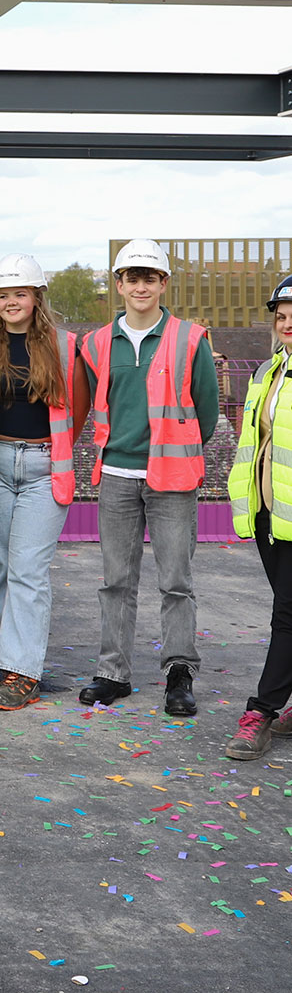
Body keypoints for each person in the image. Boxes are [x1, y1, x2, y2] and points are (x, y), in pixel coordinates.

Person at [77, 239, 219, 717]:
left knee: (176, 580)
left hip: (172, 478)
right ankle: (112, 673)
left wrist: (175, 457)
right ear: (119, 285)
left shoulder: (190, 338)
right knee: (116, 580)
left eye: (149, 278)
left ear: (163, 284)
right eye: (131, 278)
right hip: (116, 475)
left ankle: (179, 674)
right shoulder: (96, 343)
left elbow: (207, 412)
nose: (141, 286)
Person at [0, 254, 88, 711]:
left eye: (19, 293)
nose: (10, 302)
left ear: (37, 297)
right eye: (3, 295)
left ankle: (23, 673)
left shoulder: (63, 346)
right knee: (0, 570)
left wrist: (50, 453)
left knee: (28, 573)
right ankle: (13, 665)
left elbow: (75, 412)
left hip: (42, 468)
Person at [224, 274, 292, 758]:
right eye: (282, 317)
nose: (287, 324)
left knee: (287, 614)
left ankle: (261, 712)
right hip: (272, 511)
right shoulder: (269, 372)